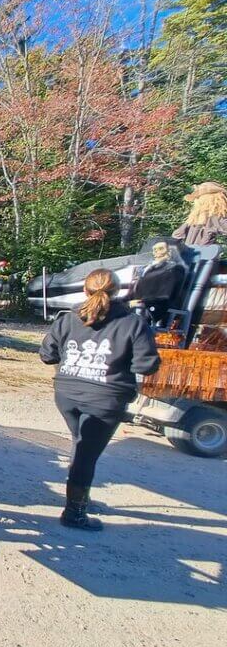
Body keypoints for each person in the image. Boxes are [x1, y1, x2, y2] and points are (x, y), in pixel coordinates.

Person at [40, 269, 160, 531]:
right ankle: (74, 512)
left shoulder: (68, 318)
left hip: (67, 393)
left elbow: (47, 355)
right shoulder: (133, 323)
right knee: (86, 454)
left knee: (82, 445)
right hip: (106, 398)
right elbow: (147, 365)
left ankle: (79, 497)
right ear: (118, 292)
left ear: (85, 291)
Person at [128, 241, 185, 324]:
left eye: (160, 249)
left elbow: (166, 293)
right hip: (143, 302)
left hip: (159, 305)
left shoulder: (175, 269)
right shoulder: (149, 268)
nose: (156, 252)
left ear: (170, 252)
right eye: (154, 249)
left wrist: (144, 302)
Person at [173, 181, 227, 246]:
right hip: (205, 253)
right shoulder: (214, 216)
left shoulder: (193, 219)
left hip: (190, 253)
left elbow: (177, 235)